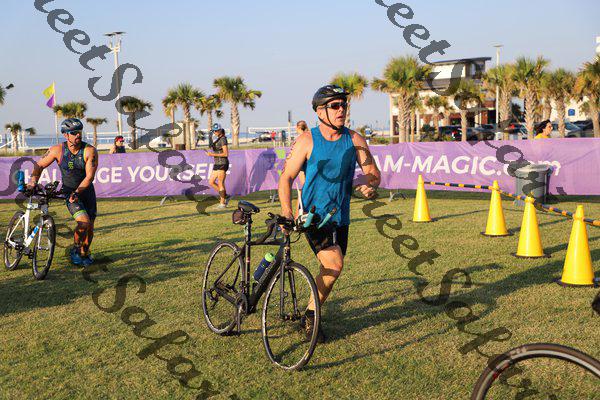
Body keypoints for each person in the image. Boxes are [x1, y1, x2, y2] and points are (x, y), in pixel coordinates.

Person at [278, 85, 381, 342]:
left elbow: (373, 173)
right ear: (320, 111)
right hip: (313, 215)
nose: (341, 110)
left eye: (343, 105)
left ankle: (310, 312)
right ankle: (312, 319)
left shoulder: (355, 140)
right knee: (334, 264)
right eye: (335, 106)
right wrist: (287, 211)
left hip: (340, 216)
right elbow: (286, 177)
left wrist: (370, 184)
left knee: (331, 271)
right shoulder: (307, 140)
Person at [28, 118, 99, 267]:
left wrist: (78, 192)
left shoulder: (89, 150)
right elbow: (39, 165)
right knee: (83, 222)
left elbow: (89, 177)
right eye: (74, 132)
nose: (78, 135)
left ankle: (84, 252)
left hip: (86, 192)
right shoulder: (57, 150)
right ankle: (75, 250)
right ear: (66, 135)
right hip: (70, 192)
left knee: (90, 227)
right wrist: (33, 181)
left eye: (79, 132)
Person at [204, 128, 230, 208]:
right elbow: (211, 146)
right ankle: (225, 195)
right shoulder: (218, 139)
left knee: (220, 183)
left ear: (220, 132)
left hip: (222, 163)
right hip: (217, 163)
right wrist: (210, 136)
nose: (214, 132)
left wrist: (212, 155)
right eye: (214, 131)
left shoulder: (223, 139)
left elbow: (226, 154)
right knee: (211, 182)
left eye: (215, 131)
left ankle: (222, 203)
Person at [294, 120, 310, 216]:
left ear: (298, 128)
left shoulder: (300, 138)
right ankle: (301, 212)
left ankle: (298, 214)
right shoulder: (309, 136)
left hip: (302, 165)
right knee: (305, 188)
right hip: (308, 165)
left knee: (303, 189)